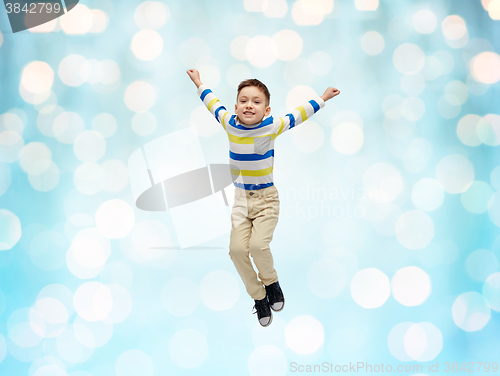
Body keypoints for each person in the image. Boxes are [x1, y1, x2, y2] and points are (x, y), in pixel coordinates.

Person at [187, 69, 340, 327]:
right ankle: (259, 296)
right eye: (244, 101)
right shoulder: (228, 122)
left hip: (266, 199)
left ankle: (271, 283)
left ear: (266, 110)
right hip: (241, 201)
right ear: (235, 107)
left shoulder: (272, 126)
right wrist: (199, 82)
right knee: (236, 251)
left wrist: (323, 98)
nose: (249, 105)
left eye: (256, 102)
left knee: (258, 246)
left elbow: (298, 115)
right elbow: (212, 103)